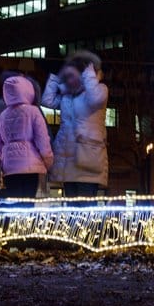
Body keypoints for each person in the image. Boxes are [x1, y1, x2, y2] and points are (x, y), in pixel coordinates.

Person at [42, 50, 109, 202]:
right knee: (73, 208)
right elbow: (47, 101)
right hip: (68, 160)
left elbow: (94, 100)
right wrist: (56, 78)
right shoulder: (67, 95)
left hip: (88, 159)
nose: (70, 77)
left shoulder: (100, 90)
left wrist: (88, 72)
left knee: (85, 209)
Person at [0, 76, 54, 200]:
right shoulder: (34, 112)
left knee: (14, 205)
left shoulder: (3, 115)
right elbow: (42, 139)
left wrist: (6, 158)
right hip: (31, 167)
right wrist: (48, 161)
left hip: (10, 169)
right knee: (28, 204)